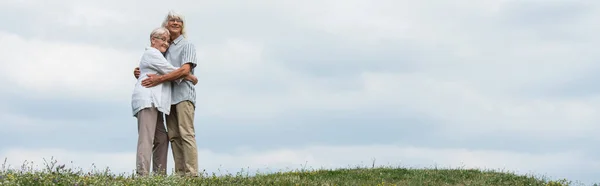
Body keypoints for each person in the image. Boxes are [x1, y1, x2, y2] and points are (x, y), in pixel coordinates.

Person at [133, 10, 200, 177]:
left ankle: (191, 174)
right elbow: (157, 66)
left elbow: (183, 69)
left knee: (185, 134)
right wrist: (140, 72)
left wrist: (160, 78)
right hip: (167, 99)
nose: (175, 23)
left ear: (182, 26)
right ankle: (179, 174)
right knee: (173, 137)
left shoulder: (187, 45)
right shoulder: (163, 50)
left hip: (183, 95)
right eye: (172, 20)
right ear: (166, 25)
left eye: (179, 20)